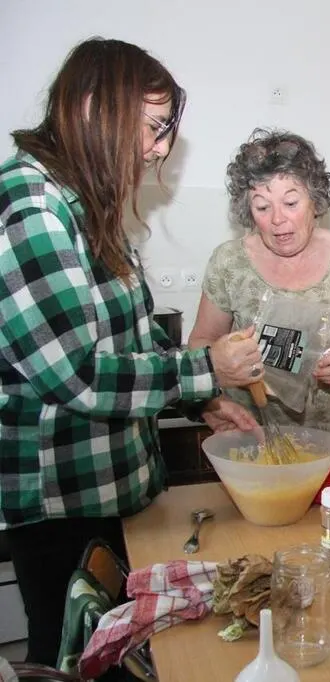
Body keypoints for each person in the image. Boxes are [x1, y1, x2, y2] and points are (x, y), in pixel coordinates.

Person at [0, 38, 261, 667]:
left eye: (167, 130)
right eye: (152, 126)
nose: (162, 148)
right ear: (91, 108)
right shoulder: (30, 205)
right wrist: (205, 366)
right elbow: (79, 374)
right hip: (63, 498)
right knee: (69, 653)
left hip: (109, 489)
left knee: (122, 653)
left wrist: (202, 400)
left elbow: (136, 339)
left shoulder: (86, 203)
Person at [189, 129, 330, 467]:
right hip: (251, 442)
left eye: (291, 203)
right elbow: (200, 342)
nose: (278, 219)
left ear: (315, 200)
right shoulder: (229, 262)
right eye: (262, 206)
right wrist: (213, 400)